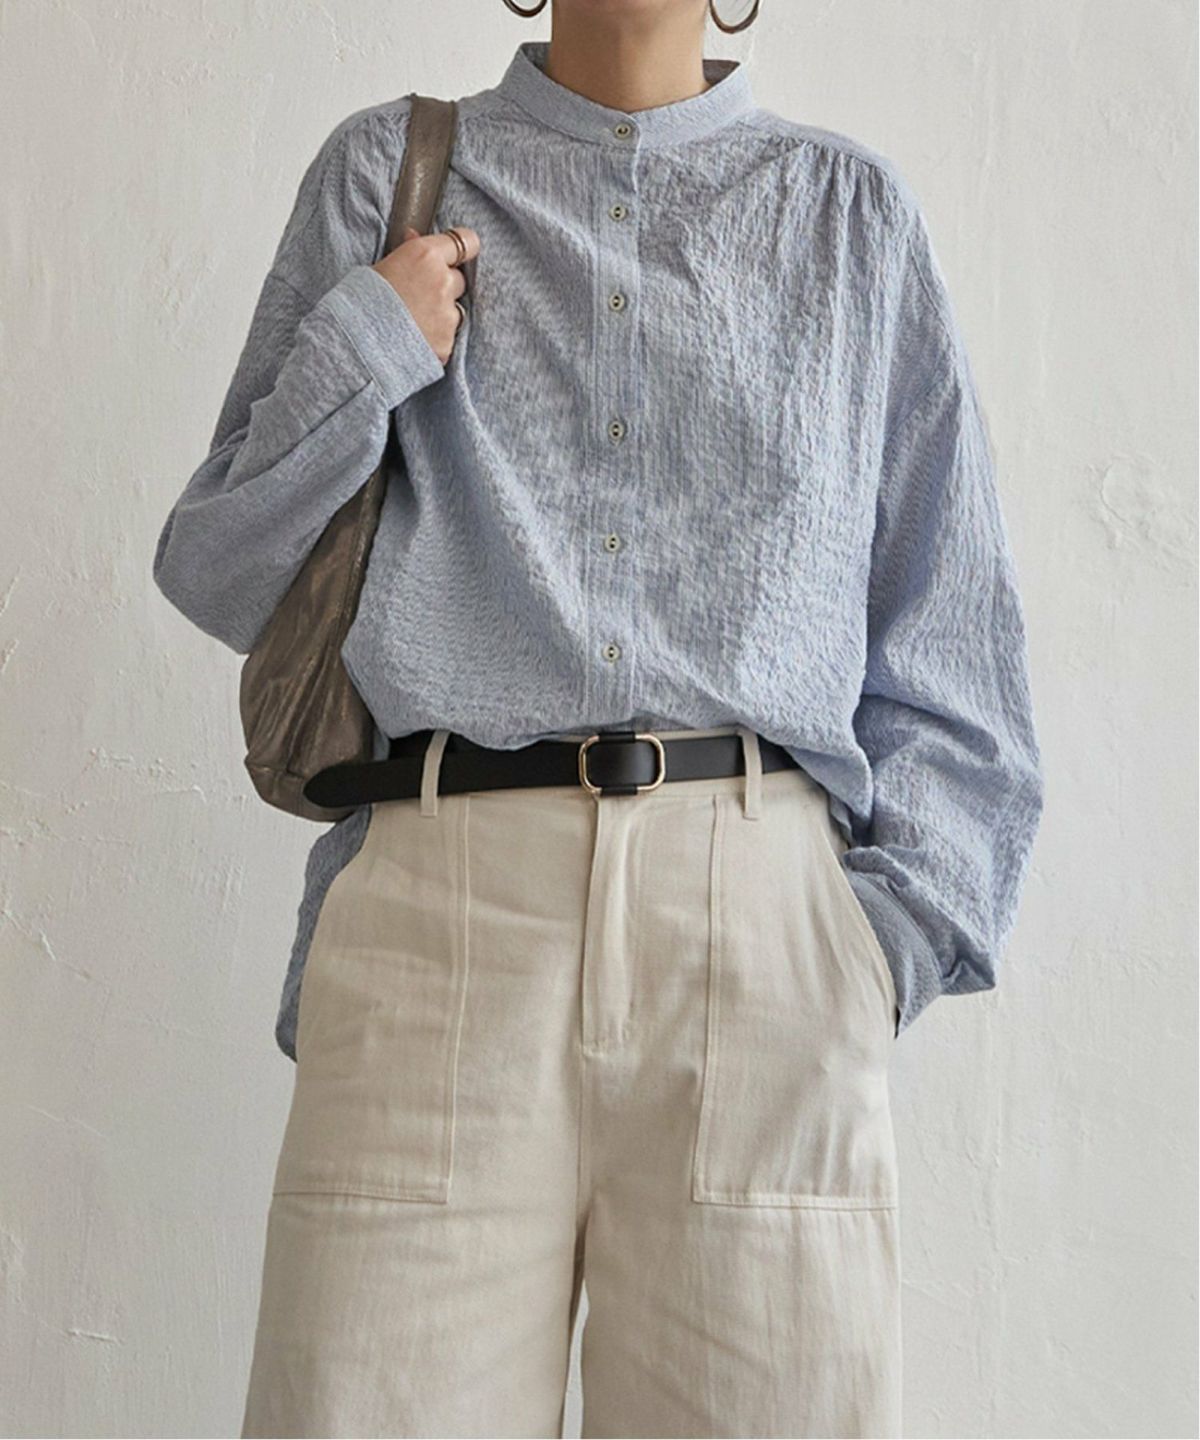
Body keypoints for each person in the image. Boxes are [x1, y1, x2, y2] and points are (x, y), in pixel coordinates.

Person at [151, 1, 1044, 1435]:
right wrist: (371, 340)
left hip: (767, 952)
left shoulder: (847, 216)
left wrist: (868, 957)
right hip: (440, 922)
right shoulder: (389, 174)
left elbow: (957, 658)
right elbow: (217, 566)